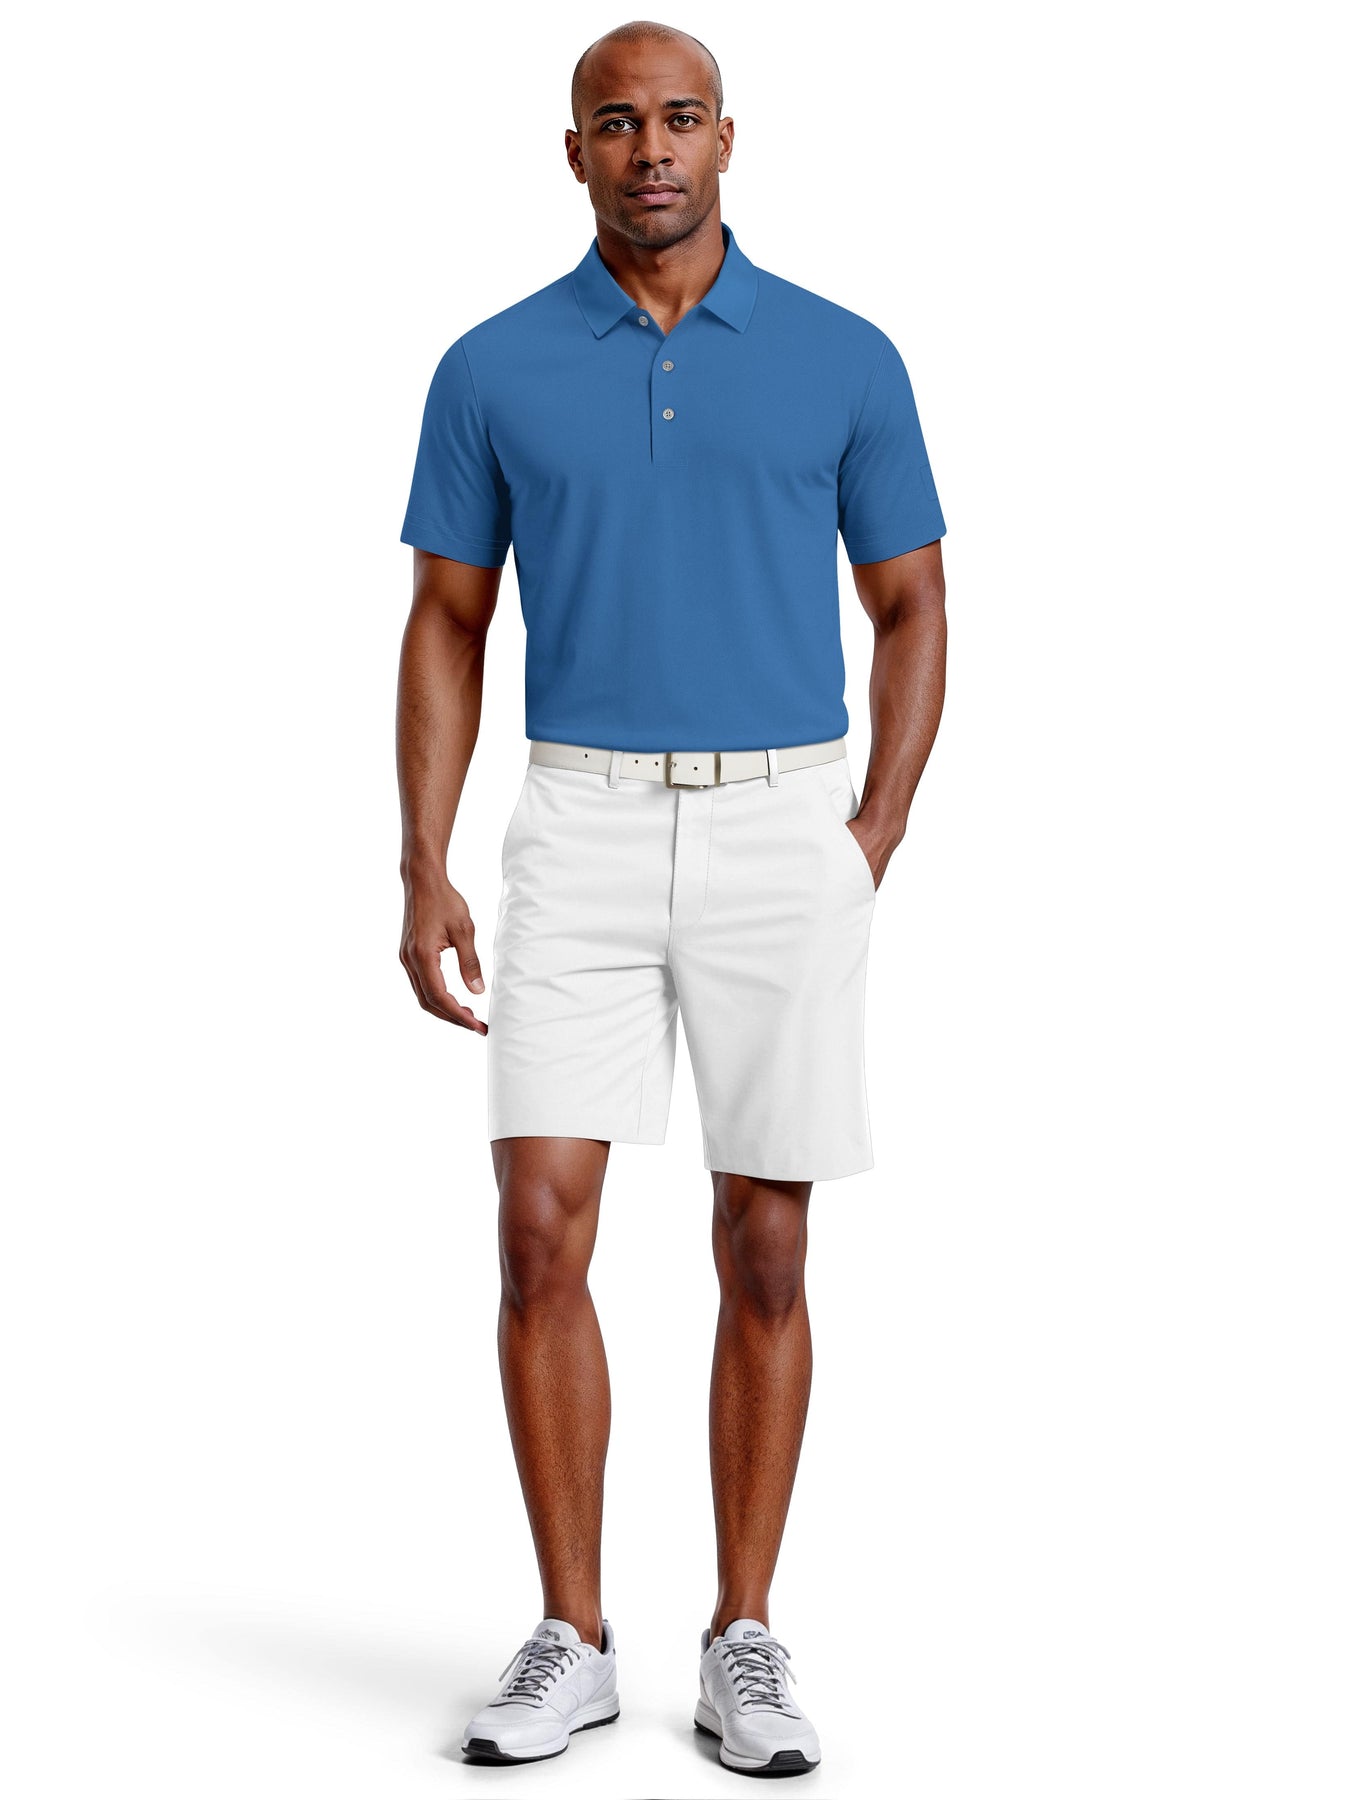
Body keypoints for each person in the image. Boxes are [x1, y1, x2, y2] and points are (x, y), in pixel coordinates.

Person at [395, 18, 947, 1779]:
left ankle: (742, 1636)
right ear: (573, 151)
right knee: (535, 1227)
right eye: (617, 122)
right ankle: (571, 1636)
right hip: (577, 822)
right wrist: (422, 857)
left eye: (680, 119)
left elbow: (912, 606)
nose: (651, 149)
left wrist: (869, 831)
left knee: (765, 1241)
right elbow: (448, 621)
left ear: (727, 140)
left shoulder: (844, 356)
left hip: (787, 821)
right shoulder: (489, 366)